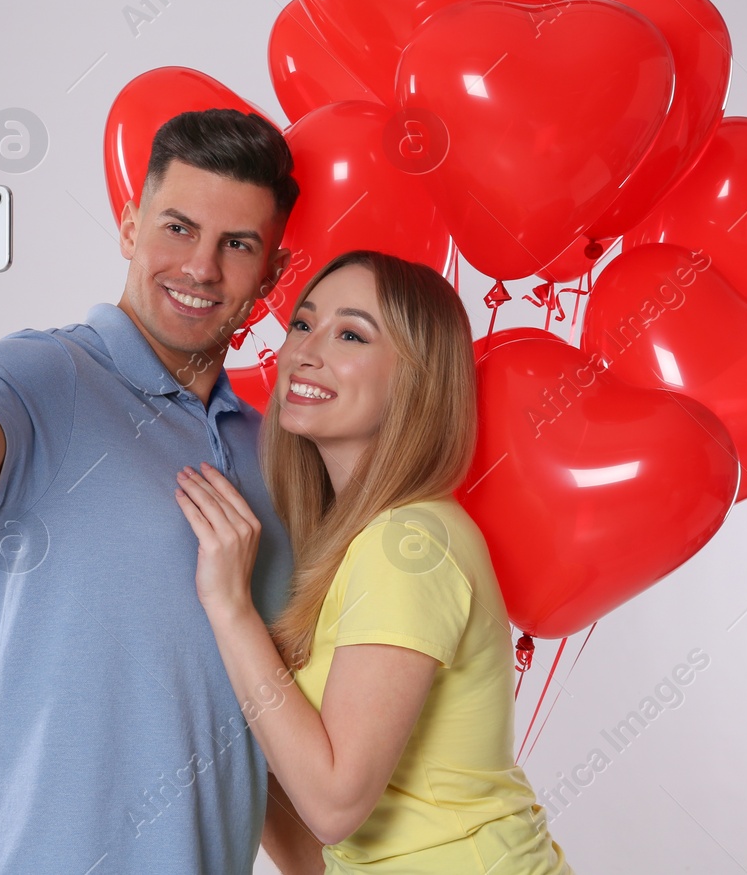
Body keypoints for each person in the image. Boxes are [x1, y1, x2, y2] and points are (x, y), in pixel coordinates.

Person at [0, 109, 329, 874]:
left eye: (238, 244)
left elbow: (258, 738)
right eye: (177, 227)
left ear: (273, 272)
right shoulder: (42, 378)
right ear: (128, 226)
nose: (201, 267)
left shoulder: (278, 458)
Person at [172, 249, 576, 873]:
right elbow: (321, 828)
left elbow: (334, 806)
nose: (305, 351)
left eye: (352, 334)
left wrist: (230, 610)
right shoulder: (356, 543)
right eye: (303, 325)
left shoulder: (405, 545)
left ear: (415, 380)